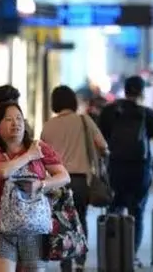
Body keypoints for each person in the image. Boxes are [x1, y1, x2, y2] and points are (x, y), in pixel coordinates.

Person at [0, 100, 70, 272]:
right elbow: (3, 171)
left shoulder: (39, 147)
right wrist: (29, 156)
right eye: (8, 119)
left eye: (19, 119)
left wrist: (41, 184)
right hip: (1, 226)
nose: (16, 123)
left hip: (35, 226)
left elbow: (64, 176)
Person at [97, 75, 153, 267]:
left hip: (115, 168)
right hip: (140, 170)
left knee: (114, 209)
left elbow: (99, 139)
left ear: (125, 91)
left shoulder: (109, 111)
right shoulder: (147, 114)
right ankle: (132, 255)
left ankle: (110, 253)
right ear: (142, 93)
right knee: (136, 212)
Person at [41, 85, 109, 272]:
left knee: (62, 222)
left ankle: (66, 264)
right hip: (80, 181)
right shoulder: (84, 121)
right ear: (72, 101)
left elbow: (41, 155)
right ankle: (80, 262)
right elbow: (103, 145)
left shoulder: (48, 126)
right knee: (80, 219)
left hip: (56, 182)